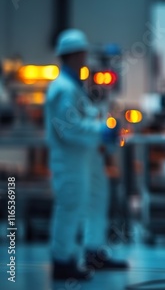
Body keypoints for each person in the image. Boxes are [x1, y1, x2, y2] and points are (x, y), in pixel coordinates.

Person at [45, 29, 127, 281]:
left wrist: (104, 126)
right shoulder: (62, 89)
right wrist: (100, 130)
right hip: (70, 157)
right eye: (81, 53)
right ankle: (62, 260)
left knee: (94, 200)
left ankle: (92, 251)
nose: (85, 57)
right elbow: (69, 128)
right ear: (71, 55)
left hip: (85, 155)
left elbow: (85, 116)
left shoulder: (74, 87)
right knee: (71, 205)